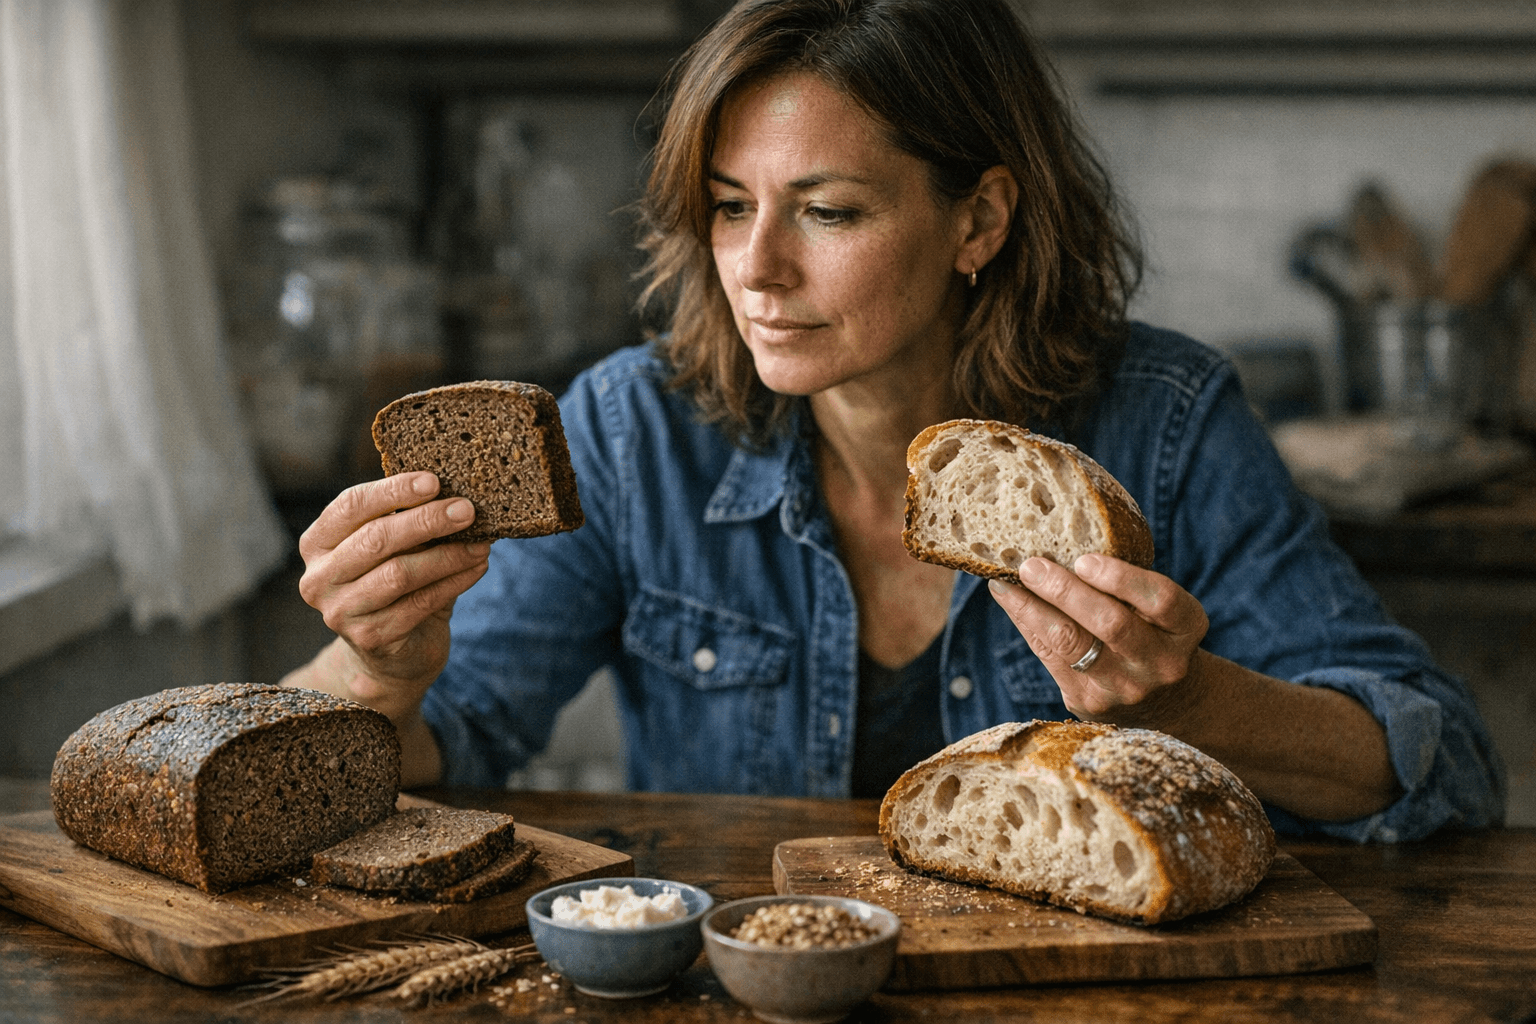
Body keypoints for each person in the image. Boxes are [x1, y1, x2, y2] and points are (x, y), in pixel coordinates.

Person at [283, 0, 1505, 841]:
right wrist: (381, 670)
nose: (754, 269)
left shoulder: (1160, 422)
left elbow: (1442, 764)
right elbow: (443, 736)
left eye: (827, 212)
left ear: (979, 222)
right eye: (726, 206)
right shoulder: (631, 431)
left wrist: (1187, 703)